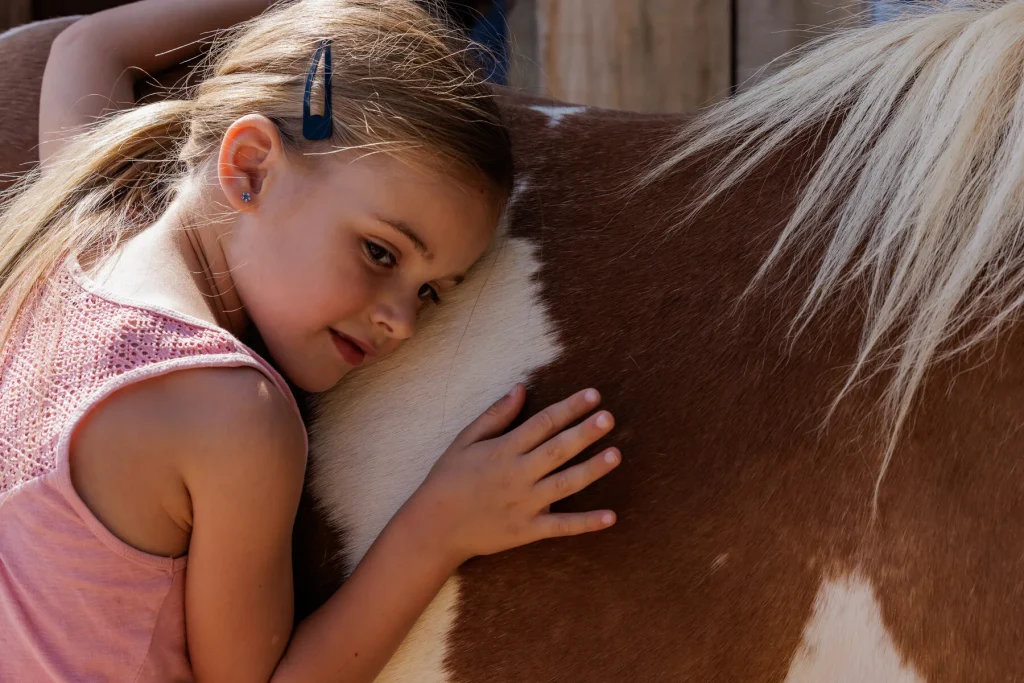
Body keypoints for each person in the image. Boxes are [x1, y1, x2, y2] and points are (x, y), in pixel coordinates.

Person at [0, 1, 621, 681]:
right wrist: (440, 527)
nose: (402, 322)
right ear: (250, 167)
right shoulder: (232, 413)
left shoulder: (74, 236)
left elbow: (92, 45)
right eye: (381, 253)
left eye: (431, 291)